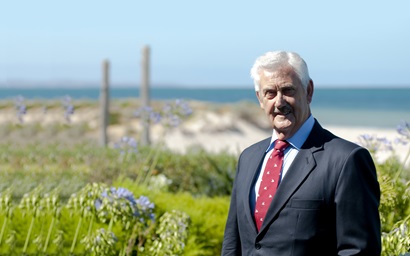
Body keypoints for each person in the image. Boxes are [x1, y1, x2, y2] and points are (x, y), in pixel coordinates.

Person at [221, 51, 381, 255]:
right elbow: (232, 244)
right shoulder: (248, 158)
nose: (279, 102)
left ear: (309, 91)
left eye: (288, 90)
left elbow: (359, 251)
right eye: (270, 93)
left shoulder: (346, 160)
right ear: (260, 99)